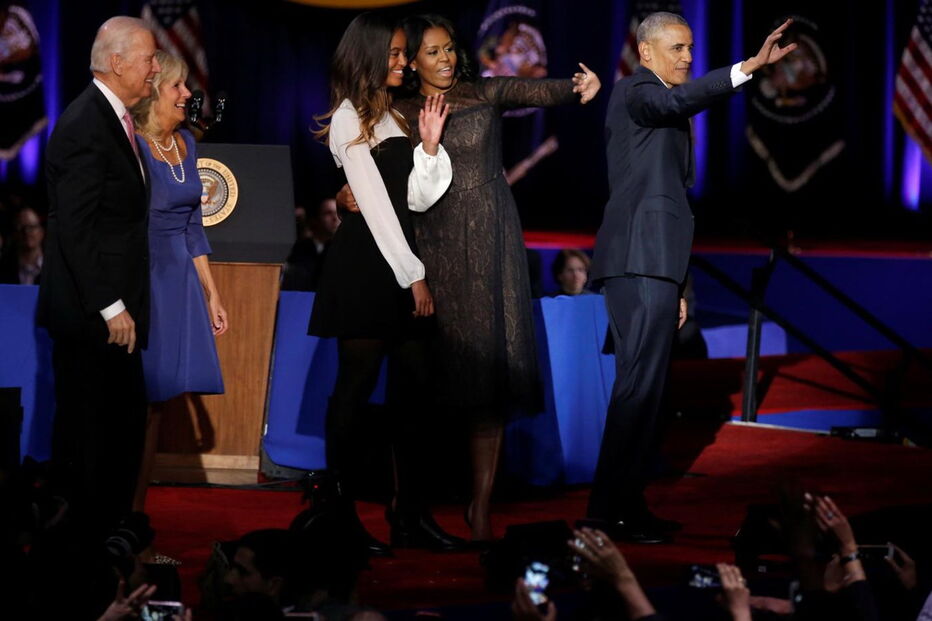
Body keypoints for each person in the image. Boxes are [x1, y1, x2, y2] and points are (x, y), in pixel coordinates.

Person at [339, 13, 600, 542]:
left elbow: (541, 89)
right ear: (410, 61)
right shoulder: (395, 111)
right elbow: (371, 171)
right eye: (431, 52)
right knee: (426, 380)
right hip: (427, 249)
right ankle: (412, 502)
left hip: (490, 247)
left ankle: (480, 505)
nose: (445, 59)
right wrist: (343, 197)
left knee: (487, 382)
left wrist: (579, 88)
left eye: (449, 49)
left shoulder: (485, 93)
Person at [586, 12, 796, 544]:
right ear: (647, 52)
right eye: (677, 48)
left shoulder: (661, 100)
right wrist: (747, 67)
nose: (686, 57)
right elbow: (678, 102)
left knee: (648, 391)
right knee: (637, 389)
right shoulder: (637, 90)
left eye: (690, 48)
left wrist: (679, 284)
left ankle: (624, 506)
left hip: (657, 263)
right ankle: (606, 512)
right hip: (638, 259)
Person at [308, 12, 458, 554]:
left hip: (398, 259)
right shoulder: (348, 118)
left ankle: (410, 513)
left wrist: (431, 147)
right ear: (368, 55)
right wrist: (414, 275)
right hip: (368, 269)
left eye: (403, 53)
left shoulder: (394, 116)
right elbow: (371, 204)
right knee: (354, 389)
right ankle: (338, 516)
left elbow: (417, 199)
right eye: (395, 54)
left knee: (416, 392)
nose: (403, 62)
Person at [36, 16, 160, 538]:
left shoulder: (114, 120)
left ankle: (107, 540)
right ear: (117, 63)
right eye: (149, 58)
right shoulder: (86, 124)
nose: (156, 68)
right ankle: (81, 551)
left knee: (120, 430)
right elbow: (76, 230)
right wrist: (110, 304)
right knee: (91, 436)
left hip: (115, 311)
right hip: (96, 316)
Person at [129, 50, 228, 513]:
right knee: (139, 401)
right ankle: (120, 508)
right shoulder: (132, 146)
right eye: (177, 87)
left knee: (158, 405)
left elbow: (194, 226)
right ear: (153, 93)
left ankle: (135, 510)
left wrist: (211, 293)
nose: (188, 94)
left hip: (180, 280)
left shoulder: (187, 142)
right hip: (142, 279)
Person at [281, 197, 341, 291]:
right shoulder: (299, 248)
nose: (335, 218)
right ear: (316, 219)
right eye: (328, 213)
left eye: (337, 213)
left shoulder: (342, 250)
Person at [0, 206, 44, 284]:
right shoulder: (3, 268)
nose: (26, 232)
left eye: (31, 227)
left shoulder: (54, 269)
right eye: (21, 228)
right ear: (14, 233)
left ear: (41, 231)